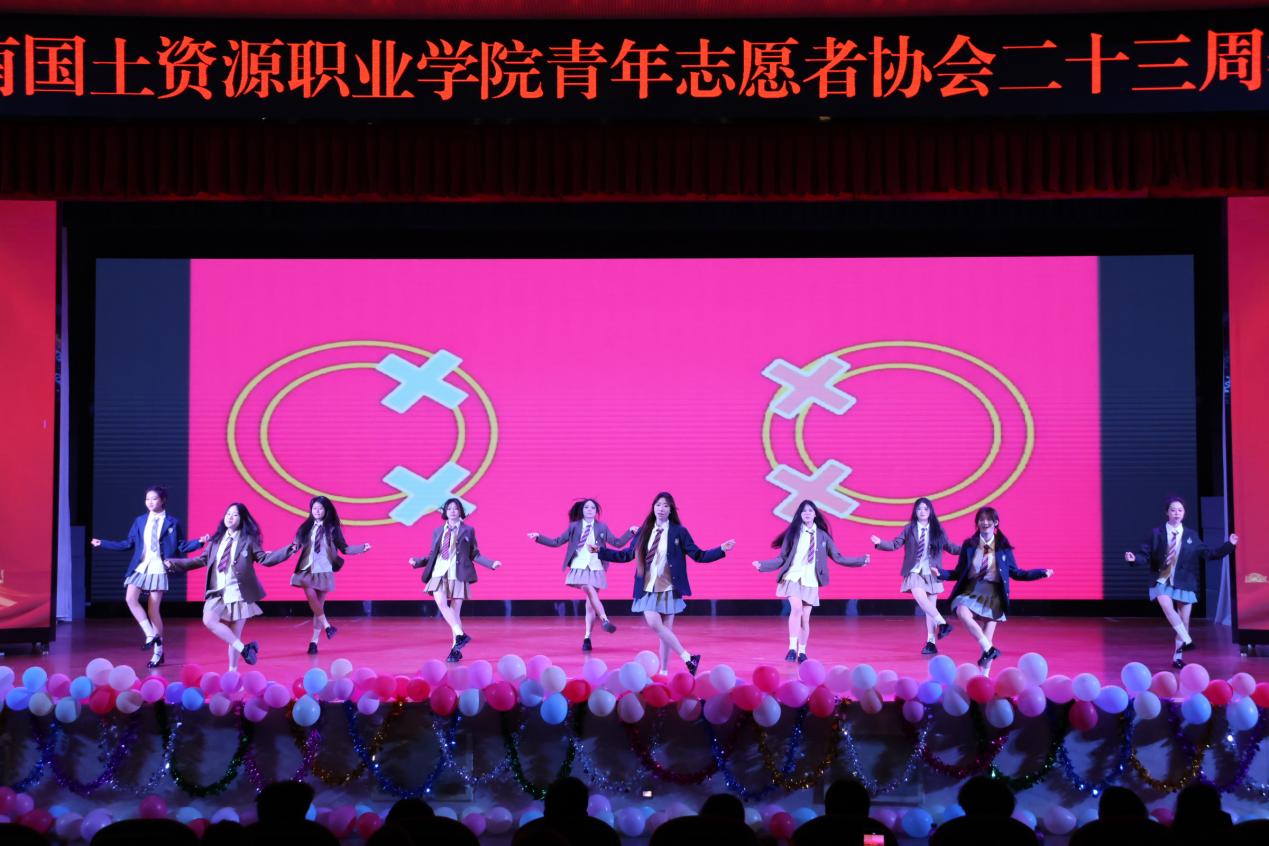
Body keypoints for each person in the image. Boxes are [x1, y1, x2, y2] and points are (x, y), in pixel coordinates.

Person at [598, 491, 734, 675]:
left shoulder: (679, 532)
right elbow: (626, 555)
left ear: (671, 510)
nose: (661, 509)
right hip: (647, 587)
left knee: (665, 633)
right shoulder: (644, 531)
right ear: (653, 508)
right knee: (655, 624)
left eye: (665, 506)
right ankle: (688, 657)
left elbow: (699, 555)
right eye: (658, 505)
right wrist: (600, 551)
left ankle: (663, 671)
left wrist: (721, 549)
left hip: (669, 587)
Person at [91, 485, 208, 667]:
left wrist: (199, 542)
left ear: (163, 500)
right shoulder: (140, 521)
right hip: (141, 566)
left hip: (158, 567)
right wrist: (103, 543)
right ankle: (150, 635)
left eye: (154, 498)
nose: (150, 502)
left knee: (153, 609)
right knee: (130, 598)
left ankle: (158, 653)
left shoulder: (172, 522)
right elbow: (128, 544)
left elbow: (181, 546)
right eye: (147, 499)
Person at [165, 502, 289, 670]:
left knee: (234, 635)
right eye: (228, 513)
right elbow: (201, 560)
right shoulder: (216, 540)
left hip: (239, 592)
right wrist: (174, 563)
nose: (230, 517)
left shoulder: (248, 541)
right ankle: (245, 649)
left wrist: (290, 549)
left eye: (235, 514)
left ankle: (233, 672)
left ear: (242, 519)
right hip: (218, 591)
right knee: (208, 620)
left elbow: (265, 559)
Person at [1125, 496, 1237, 668]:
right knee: (1166, 606)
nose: (1176, 513)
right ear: (1167, 512)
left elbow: (1209, 554)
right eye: (1173, 510)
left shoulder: (1191, 535)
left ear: (1184, 513)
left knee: (1184, 621)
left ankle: (1177, 657)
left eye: (1180, 510)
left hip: (1184, 581)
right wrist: (1134, 559)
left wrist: (1229, 545)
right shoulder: (1156, 533)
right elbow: (1144, 555)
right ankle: (1187, 639)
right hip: (1161, 578)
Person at [754, 500, 869, 662]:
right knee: (796, 609)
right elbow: (782, 558)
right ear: (800, 515)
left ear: (815, 514)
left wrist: (860, 561)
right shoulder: (793, 533)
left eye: (810, 510)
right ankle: (792, 648)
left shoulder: (823, 536)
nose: (807, 513)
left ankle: (802, 651)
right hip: (793, 577)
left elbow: (838, 557)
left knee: (805, 619)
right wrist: (763, 565)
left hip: (811, 580)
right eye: (804, 511)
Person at [945, 507, 1053, 670]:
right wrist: (940, 573)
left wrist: (1041, 573)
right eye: (981, 519)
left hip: (994, 595)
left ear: (995, 523)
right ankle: (989, 649)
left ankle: (984, 675)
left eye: (989, 519)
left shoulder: (1003, 546)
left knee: (987, 641)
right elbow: (958, 572)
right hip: (972, 591)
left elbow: (1016, 573)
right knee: (962, 611)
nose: (985, 522)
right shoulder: (969, 544)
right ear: (977, 523)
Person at [529, 498, 635, 651]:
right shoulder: (574, 526)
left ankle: (587, 638)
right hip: (579, 566)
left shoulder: (602, 527)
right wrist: (539, 537)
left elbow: (617, 543)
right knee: (589, 589)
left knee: (590, 605)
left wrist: (630, 532)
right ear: (582, 510)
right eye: (586, 507)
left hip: (596, 567)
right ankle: (605, 619)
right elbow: (556, 542)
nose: (590, 510)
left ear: (596, 511)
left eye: (592, 508)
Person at [275, 496, 371, 654]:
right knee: (311, 597)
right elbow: (295, 545)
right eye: (314, 508)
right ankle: (328, 626)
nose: (317, 511)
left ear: (326, 510)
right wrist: (282, 552)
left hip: (324, 570)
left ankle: (314, 642)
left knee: (318, 607)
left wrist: (361, 548)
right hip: (307, 569)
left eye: (320, 508)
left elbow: (345, 549)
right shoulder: (306, 527)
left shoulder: (333, 528)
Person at [409, 497, 501, 663]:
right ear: (445, 512)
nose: (452, 511)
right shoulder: (438, 531)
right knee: (441, 602)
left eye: (455, 508)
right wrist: (418, 562)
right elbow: (433, 554)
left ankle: (455, 650)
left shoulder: (468, 530)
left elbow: (475, 554)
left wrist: (491, 564)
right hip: (439, 572)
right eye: (449, 508)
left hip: (458, 573)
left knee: (455, 612)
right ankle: (460, 634)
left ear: (460, 511)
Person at [870, 497, 960, 654]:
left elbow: (951, 547)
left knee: (930, 609)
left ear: (930, 511)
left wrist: (969, 549)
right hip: (914, 571)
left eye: (925, 508)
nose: (922, 511)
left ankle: (931, 643)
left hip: (932, 572)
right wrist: (880, 543)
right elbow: (895, 544)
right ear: (915, 512)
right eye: (919, 509)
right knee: (922, 600)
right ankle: (943, 623)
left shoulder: (937, 530)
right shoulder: (909, 528)